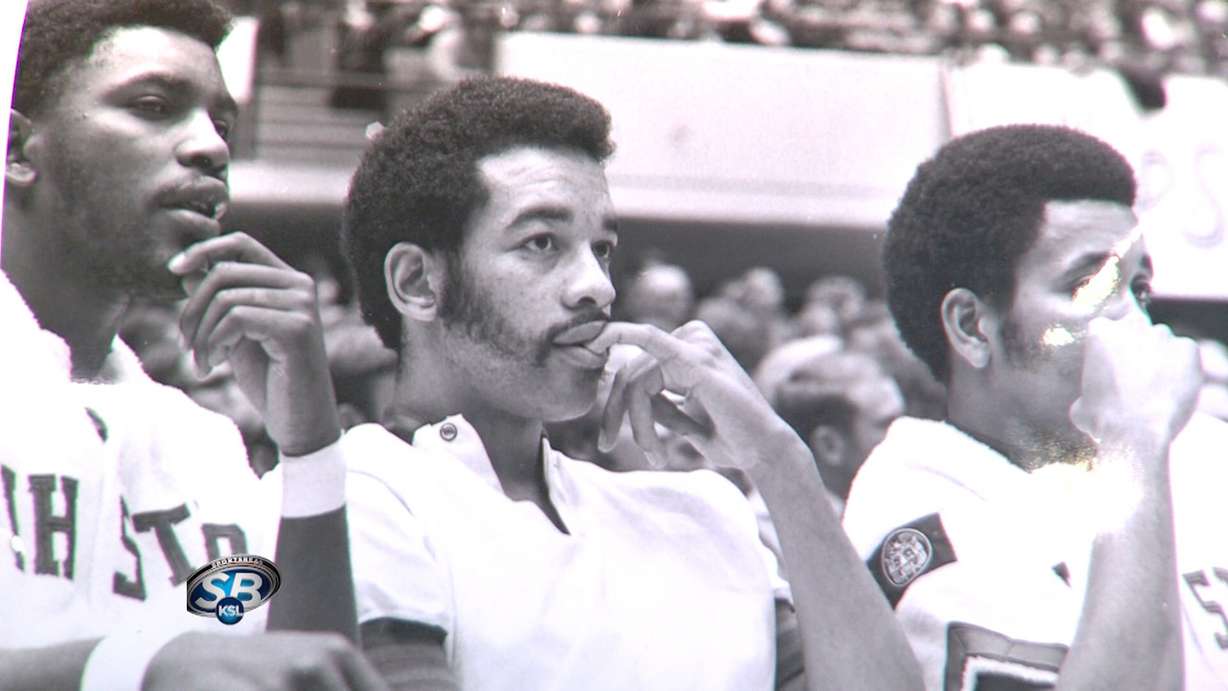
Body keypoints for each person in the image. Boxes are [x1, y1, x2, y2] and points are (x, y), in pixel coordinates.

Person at [339, 75, 923, 690]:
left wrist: (780, 463)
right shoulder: (358, 492)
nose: (599, 286)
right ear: (417, 283)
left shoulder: (705, 508)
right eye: (541, 243)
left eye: (602, 248)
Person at [1, 1, 383, 688]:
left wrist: (311, 448)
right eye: (153, 105)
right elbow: (164, 664)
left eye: (223, 125)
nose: (211, 146)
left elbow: (300, 668)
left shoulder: (200, 446)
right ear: (18, 150)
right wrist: (133, 666)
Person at [841, 124, 1228, 690]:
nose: (1137, 323)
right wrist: (1134, 442)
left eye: (1139, 290)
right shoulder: (921, 521)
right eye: (1091, 288)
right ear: (973, 328)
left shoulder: (1201, 447)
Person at [772, 350, 905, 517]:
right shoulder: (772, 531)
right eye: (886, 425)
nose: (907, 433)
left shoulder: (898, 495)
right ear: (829, 446)